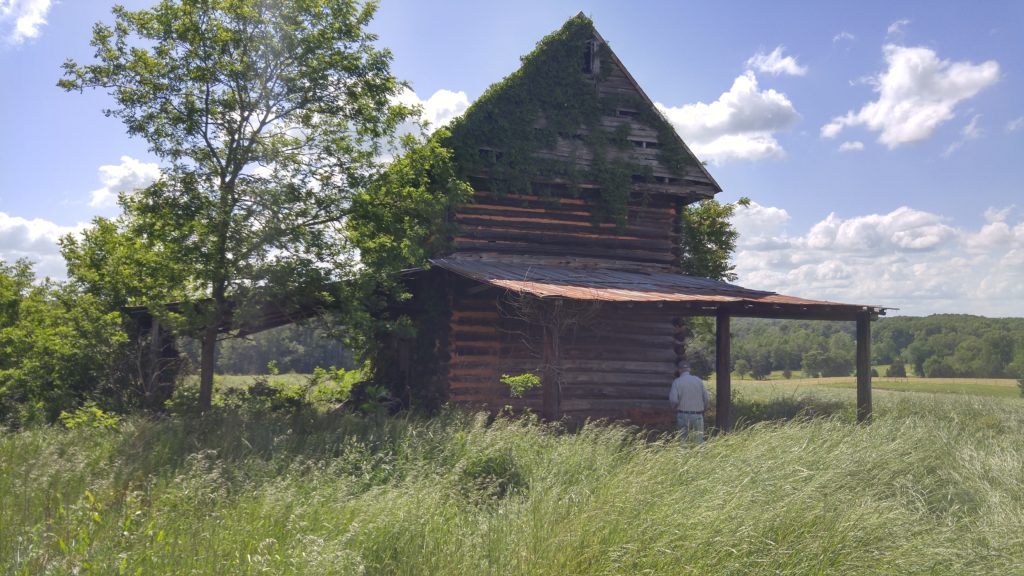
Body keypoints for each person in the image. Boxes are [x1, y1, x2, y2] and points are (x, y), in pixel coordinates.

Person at [669, 360, 709, 444]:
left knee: (683, 440)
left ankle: (684, 455)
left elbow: (673, 400)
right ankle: (699, 456)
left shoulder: (677, 382)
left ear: (679, 370)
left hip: (682, 414)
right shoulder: (698, 381)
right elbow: (706, 398)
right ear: (689, 369)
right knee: (699, 441)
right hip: (697, 414)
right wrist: (704, 408)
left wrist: (674, 408)